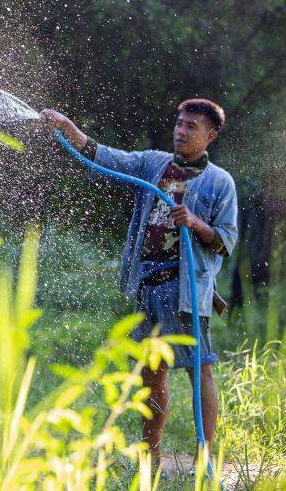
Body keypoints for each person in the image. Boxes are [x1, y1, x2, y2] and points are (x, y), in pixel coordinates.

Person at [41, 99, 238, 471]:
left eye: (191, 126)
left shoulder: (219, 181)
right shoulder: (153, 163)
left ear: (210, 135)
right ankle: (151, 456)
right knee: (152, 373)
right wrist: (70, 129)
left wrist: (195, 223)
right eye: (179, 123)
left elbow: (225, 241)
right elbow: (108, 157)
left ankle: (204, 459)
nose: (181, 131)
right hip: (149, 284)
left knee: (201, 369)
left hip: (188, 291)